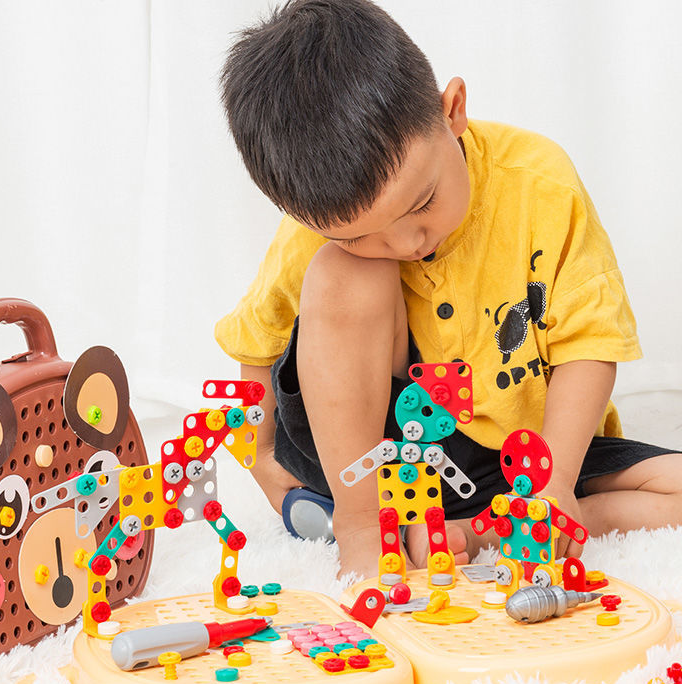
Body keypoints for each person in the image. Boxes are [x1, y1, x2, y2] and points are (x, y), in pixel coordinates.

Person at [214, 0, 682, 579]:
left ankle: (481, 528)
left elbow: (590, 342)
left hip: (520, 454)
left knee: (676, 489)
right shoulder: (319, 229)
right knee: (344, 275)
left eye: (422, 203)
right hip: (377, 455)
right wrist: (259, 459)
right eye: (362, 234)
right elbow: (255, 343)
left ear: (452, 110)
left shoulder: (539, 183)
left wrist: (554, 480)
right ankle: (361, 523)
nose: (408, 242)